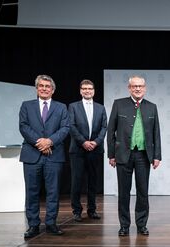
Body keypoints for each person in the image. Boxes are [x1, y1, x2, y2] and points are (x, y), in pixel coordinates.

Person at [107, 75, 161, 236]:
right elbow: (111, 132)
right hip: (123, 154)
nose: (138, 88)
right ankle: (124, 225)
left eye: (141, 86)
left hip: (144, 155)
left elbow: (156, 133)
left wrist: (157, 156)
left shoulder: (152, 107)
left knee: (143, 192)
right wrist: (111, 154)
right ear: (129, 88)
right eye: (134, 86)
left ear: (145, 88)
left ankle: (141, 224)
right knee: (123, 192)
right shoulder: (119, 104)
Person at [19, 74, 70, 238]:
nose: (44, 89)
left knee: (53, 192)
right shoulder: (26, 106)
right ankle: (33, 225)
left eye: (47, 86)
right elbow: (24, 127)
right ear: (36, 88)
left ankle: (51, 224)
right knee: (32, 192)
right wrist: (39, 143)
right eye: (41, 86)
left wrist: (49, 141)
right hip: (32, 155)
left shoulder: (61, 107)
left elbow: (65, 128)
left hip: (54, 155)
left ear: (53, 90)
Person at [68, 79, 108, 222]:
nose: (87, 91)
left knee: (93, 182)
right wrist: (84, 142)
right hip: (78, 150)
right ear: (80, 91)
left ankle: (92, 210)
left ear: (94, 91)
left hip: (95, 150)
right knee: (77, 181)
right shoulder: (73, 106)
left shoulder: (100, 108)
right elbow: (71, 126)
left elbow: (104, 127)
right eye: (84, 88)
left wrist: (96, 142)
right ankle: (77, 211)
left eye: (90, 88)